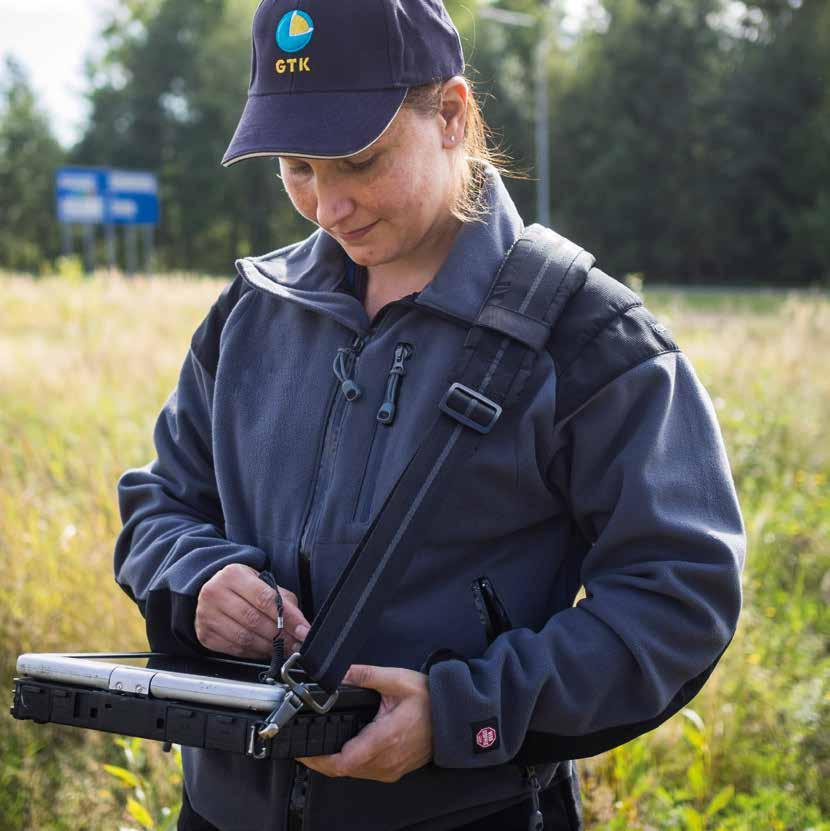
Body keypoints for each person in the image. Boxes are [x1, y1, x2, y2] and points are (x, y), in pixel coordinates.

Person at [113, 2, 746, 830]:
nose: (328, 205)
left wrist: (461, 712)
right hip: (221, 810)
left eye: (357, 160)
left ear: (451, 114)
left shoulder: (593, 340)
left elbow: (678, 598)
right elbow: (160, 506)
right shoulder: (249, 311)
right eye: (297, 167)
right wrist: (197, 578)